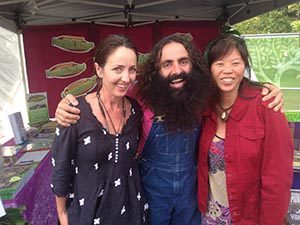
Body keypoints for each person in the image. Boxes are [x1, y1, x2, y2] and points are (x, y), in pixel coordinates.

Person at [55, 34, 284, 225]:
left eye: (183, 62)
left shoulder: (202, 98)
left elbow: (231, 87)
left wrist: (267, 88)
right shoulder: (140, 99)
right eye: (167, 64)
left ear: (193, 65)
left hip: (191, 195)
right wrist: (66, 105)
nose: (177, 70)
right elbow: (110, 95)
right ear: (156, 69)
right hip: (152, 193)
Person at [51, 34, 148, 225]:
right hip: (88, 213)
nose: (126, 78)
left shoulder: (135, 110)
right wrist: (63, 217)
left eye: (132, 69)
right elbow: (61, 169)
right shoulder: (75, 112)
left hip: (130, 212)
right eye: (118, 69)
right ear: (99, 69)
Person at [197, 35, 293, 225]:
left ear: (245, 66)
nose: (227, 71)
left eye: (235, 63)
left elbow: (278, 177)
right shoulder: (205, 107)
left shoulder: (266, 105)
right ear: (210, 68)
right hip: (210, 215)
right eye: (219, 63)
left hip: (250, 217)